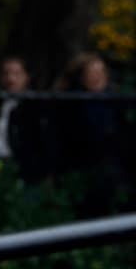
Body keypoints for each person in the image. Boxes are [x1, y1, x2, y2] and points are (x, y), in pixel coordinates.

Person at [55, 52, 131, 217]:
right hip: (82, 171)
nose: (97, 77)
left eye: (101, 72)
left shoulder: (118, 101)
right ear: (82, 77)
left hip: (115, 170)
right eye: (92, 73)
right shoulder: (70, 104)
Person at [0, 55, 55, 183]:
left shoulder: (37, 108)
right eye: (6, 73)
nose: (11, 79)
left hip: (26, 170)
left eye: (16, 73)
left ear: (26, 77)